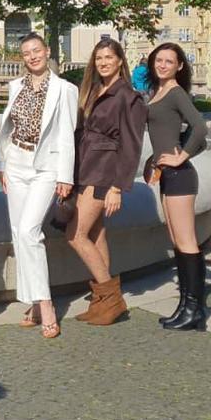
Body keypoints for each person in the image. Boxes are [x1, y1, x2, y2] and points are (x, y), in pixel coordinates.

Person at [0, 32, 77, 337]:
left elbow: (67, 134)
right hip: (15, 162)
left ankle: (46, 304)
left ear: (47, 51)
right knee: (19, 235)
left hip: (45, 167)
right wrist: (0, 165)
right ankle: (32, 302)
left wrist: (65, 175)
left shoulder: (65, 89)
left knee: (30, 231)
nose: (32, 57)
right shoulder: (16, 86)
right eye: (26, 53)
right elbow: (7, 127)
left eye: (36, 51)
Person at [68, 39, 146, 326]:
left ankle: (112, 298)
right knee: (97, 233)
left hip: (104, 172)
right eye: (99, 58)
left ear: (119, 61)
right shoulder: (92, 90)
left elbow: (131, 145)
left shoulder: (128, 96)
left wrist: (117, 187)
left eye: (109, 57)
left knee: (75, 234)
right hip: (86, 167)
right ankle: (101, 301)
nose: (103, 62)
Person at [142, 42, 209, 332]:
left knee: (186, 242)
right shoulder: (156, 93)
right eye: (159, 60)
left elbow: (200, 127)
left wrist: (181, 155)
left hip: (181, 175)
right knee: (177, 242)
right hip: (168, 176)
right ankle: (184, 304)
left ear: (179, 66)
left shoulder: (176, 92)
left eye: (169, 61)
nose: (163, 65)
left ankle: (195, 309)